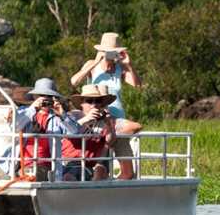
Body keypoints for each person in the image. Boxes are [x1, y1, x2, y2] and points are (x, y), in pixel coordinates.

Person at [70, 32, 142, 179]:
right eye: (109, 51)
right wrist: (97, 62)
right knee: (101, 166)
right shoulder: (92, 64)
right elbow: (74, 82)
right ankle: (98, 180)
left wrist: (128, 64)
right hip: (98, 120)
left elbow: (137, 85)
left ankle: (115, 190)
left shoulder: (119, 68)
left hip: (117, 119)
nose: (112, 55)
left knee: (129, 173)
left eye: (115, 52)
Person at [15, 78, 83, 181]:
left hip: (44, 167)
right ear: (34, 96)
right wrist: (33, 108)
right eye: (42, 95)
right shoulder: (25, 112)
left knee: (34, 173)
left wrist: (62, 114)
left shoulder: (58, 117)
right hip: (19, 164)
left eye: (49, 96)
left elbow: (74, 132)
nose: (45, 99)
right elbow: (15, 126)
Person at [61, 84, 117, 181]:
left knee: (99, 171)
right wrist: (86, 119)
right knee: (69, 177)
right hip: (68, 163)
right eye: (90, 101)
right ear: (82, 103)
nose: (94, 104)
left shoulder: (104, 120)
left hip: (90, 165)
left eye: (98, 101)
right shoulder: (72, 116)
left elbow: (110, 141)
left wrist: (108, 124)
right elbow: (68, 131)